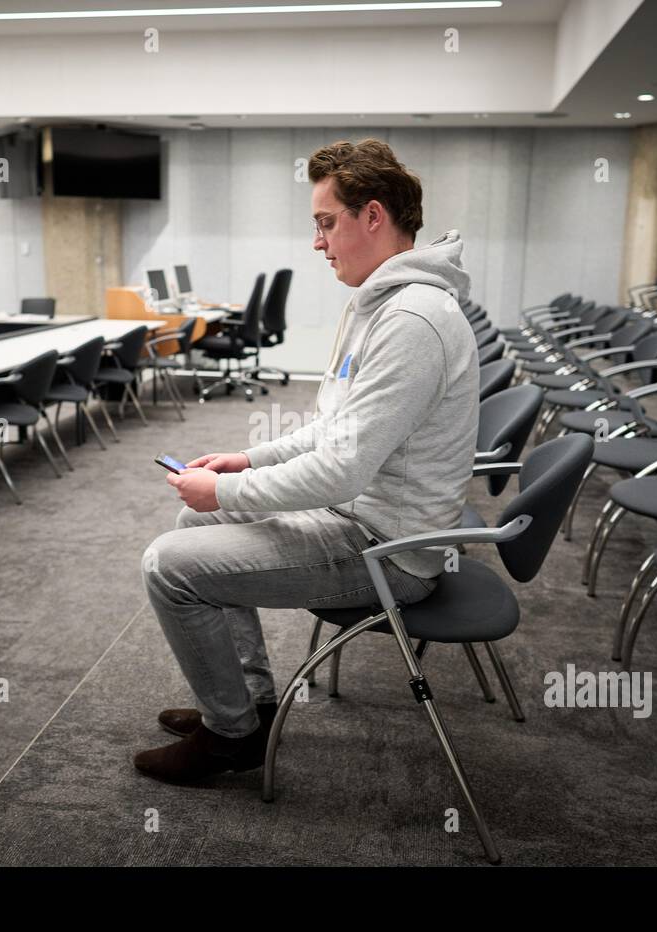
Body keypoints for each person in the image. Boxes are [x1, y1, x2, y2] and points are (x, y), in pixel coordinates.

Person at [134, 138, 480, 784]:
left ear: (372, 217)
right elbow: (331, 432)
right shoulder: (382, 305)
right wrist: (245, 460)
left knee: (167, 567)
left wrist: (227, 493)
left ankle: (230, 738)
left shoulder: (412, 321)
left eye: (326, 223)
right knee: (192, 531)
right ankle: (250, 707)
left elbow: (341, 470)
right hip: (360, 521)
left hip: (387, 554)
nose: (318, 243)